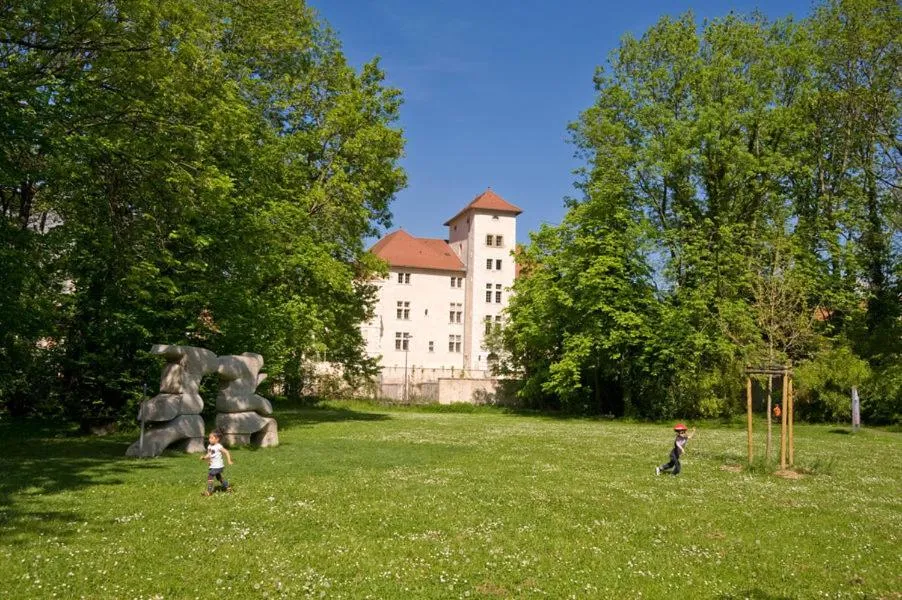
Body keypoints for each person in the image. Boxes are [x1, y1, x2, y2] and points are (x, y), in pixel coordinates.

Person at [201, 430, 233, 496]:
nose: (209, 439)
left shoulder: (218, 446)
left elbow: (226, 452)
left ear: (217, 439)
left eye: (211, 438)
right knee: (219, 478)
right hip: (213, 466)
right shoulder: (209, 446)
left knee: (210, 475)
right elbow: (209, 455)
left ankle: (209, 492)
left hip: (218, 466)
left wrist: (229, 460)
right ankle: (228, 488)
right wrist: (204, 457)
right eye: (209, 438)